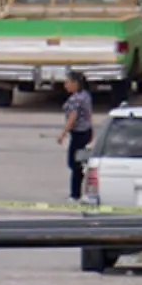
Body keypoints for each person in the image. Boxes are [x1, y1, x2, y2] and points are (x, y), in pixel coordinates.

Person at [56, 73, 94, 203]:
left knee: (74, 164)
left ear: (75, 83)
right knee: (80, 162)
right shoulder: (86, 96)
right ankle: (80, 191)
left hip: (79, 133)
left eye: (67, 82)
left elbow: (72, 117)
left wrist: (63, 133)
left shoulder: (76, 99)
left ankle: (75, 194)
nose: (65, 85)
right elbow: (89, 114)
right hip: (86, 132)